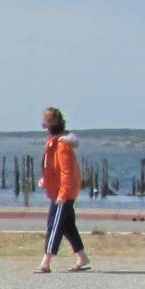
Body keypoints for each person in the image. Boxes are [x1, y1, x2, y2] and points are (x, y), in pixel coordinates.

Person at [37, 106, 87, 272]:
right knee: (67, 225)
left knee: (54, 224)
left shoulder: (62, 144)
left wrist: (63, 194)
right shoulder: (53, 141)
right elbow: (52, 167)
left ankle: (46, 261)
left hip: (62, 193)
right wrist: (45, 179)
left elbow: (67, 171)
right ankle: (82, 257)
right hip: (56, 190)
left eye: (45, 120)